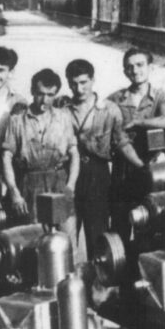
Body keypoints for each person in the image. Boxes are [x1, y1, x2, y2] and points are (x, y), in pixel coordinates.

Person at [63, 59, 143, 258]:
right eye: (74, 84)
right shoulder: (62, 110)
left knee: (97, 233)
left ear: (93, 80)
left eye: (84, 82)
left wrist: (142, 167)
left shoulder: (109, 109)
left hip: (97, 175)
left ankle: (98, 276)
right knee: (66, 235)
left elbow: (122, 142)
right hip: (68, 175)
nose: (79, 89)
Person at [107, 48, 165, 231]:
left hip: (151, 167)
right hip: (123, 170)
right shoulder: (115, 99)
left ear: (151, 67)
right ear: (124, 71)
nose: (135, 71)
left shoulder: (160, 96)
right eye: (129, 67)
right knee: (121, 224)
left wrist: (138, 122)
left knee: (150, 224)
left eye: (140, 65)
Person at [1, 69, 80, 222]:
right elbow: (6, 157)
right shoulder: (17, 120)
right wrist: (14, 192)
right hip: (30, 184)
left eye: (50, 95)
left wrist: (70, 185)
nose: (44, 100)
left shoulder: (64, 117)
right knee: (35, 233)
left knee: (65, 233)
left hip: (58, 181)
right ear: (32, 91)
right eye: (40, 94)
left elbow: (74, 153)